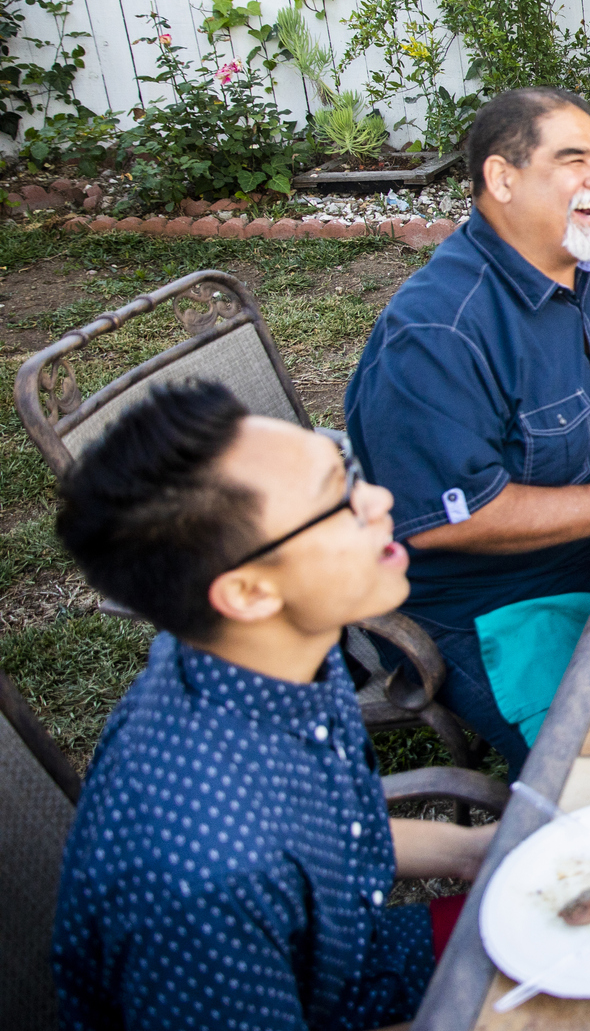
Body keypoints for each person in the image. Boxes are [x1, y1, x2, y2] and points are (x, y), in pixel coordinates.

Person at [48, 379, 495, 1031]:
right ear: (249, 591)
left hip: (352, 963)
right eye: (336, 501)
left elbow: (342, 834)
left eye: (344, 464)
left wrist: (477, 851)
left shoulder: (265, 654)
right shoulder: (205, 878)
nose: (378, 498)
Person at [344, 87, 590, 775]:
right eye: (573, 159)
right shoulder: (436, 332)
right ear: (502, 178)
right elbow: (443, 519)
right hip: (507, 604)